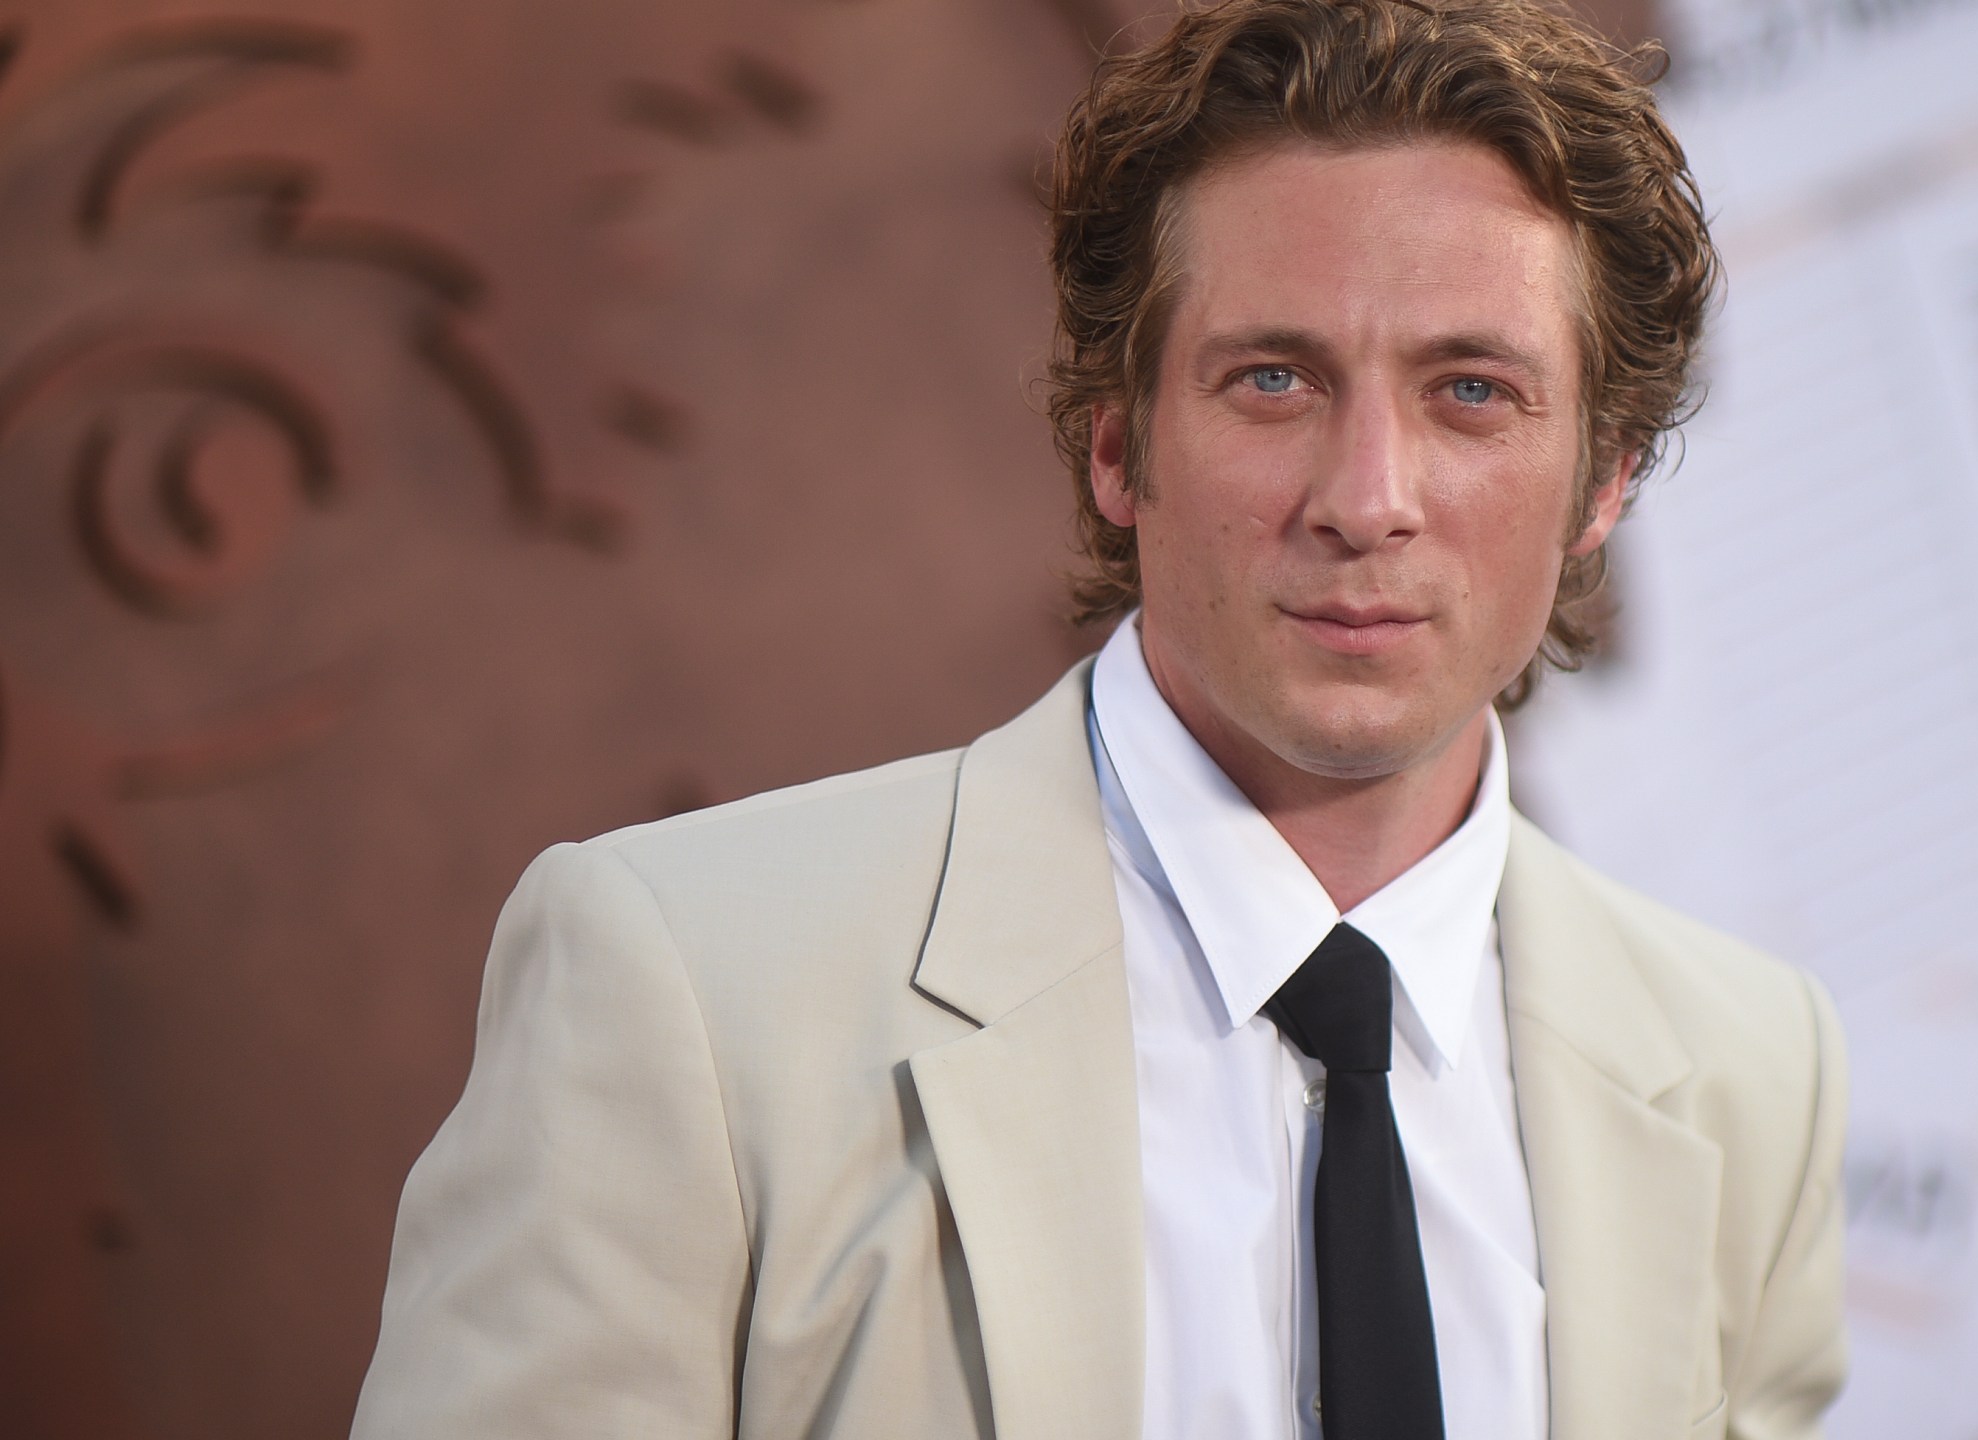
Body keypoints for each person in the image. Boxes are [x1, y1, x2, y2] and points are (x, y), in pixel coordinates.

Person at [350, 2, 1847, 1437]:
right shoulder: (682, 989)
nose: (1367, 499)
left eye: (1469, 391)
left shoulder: (1750, 1075)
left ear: (1603, 486)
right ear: (1119, 449)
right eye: (1273, 379)